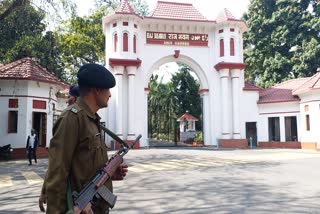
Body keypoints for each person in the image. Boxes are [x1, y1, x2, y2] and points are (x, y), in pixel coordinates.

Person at [45, 64, 128, 213]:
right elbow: (57, 174)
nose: (109, 94)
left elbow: (85, 166)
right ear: (97, 90)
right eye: (108, 89)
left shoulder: (92, 120)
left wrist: (109, 174)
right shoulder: (71, 119)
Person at [38, 85, 80, 212]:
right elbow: (57, 163)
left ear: (77, 99)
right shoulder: (68, 118)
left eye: (70, 97)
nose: (67, 100)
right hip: (67, 195)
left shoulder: (74, 119)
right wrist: (45, 190)